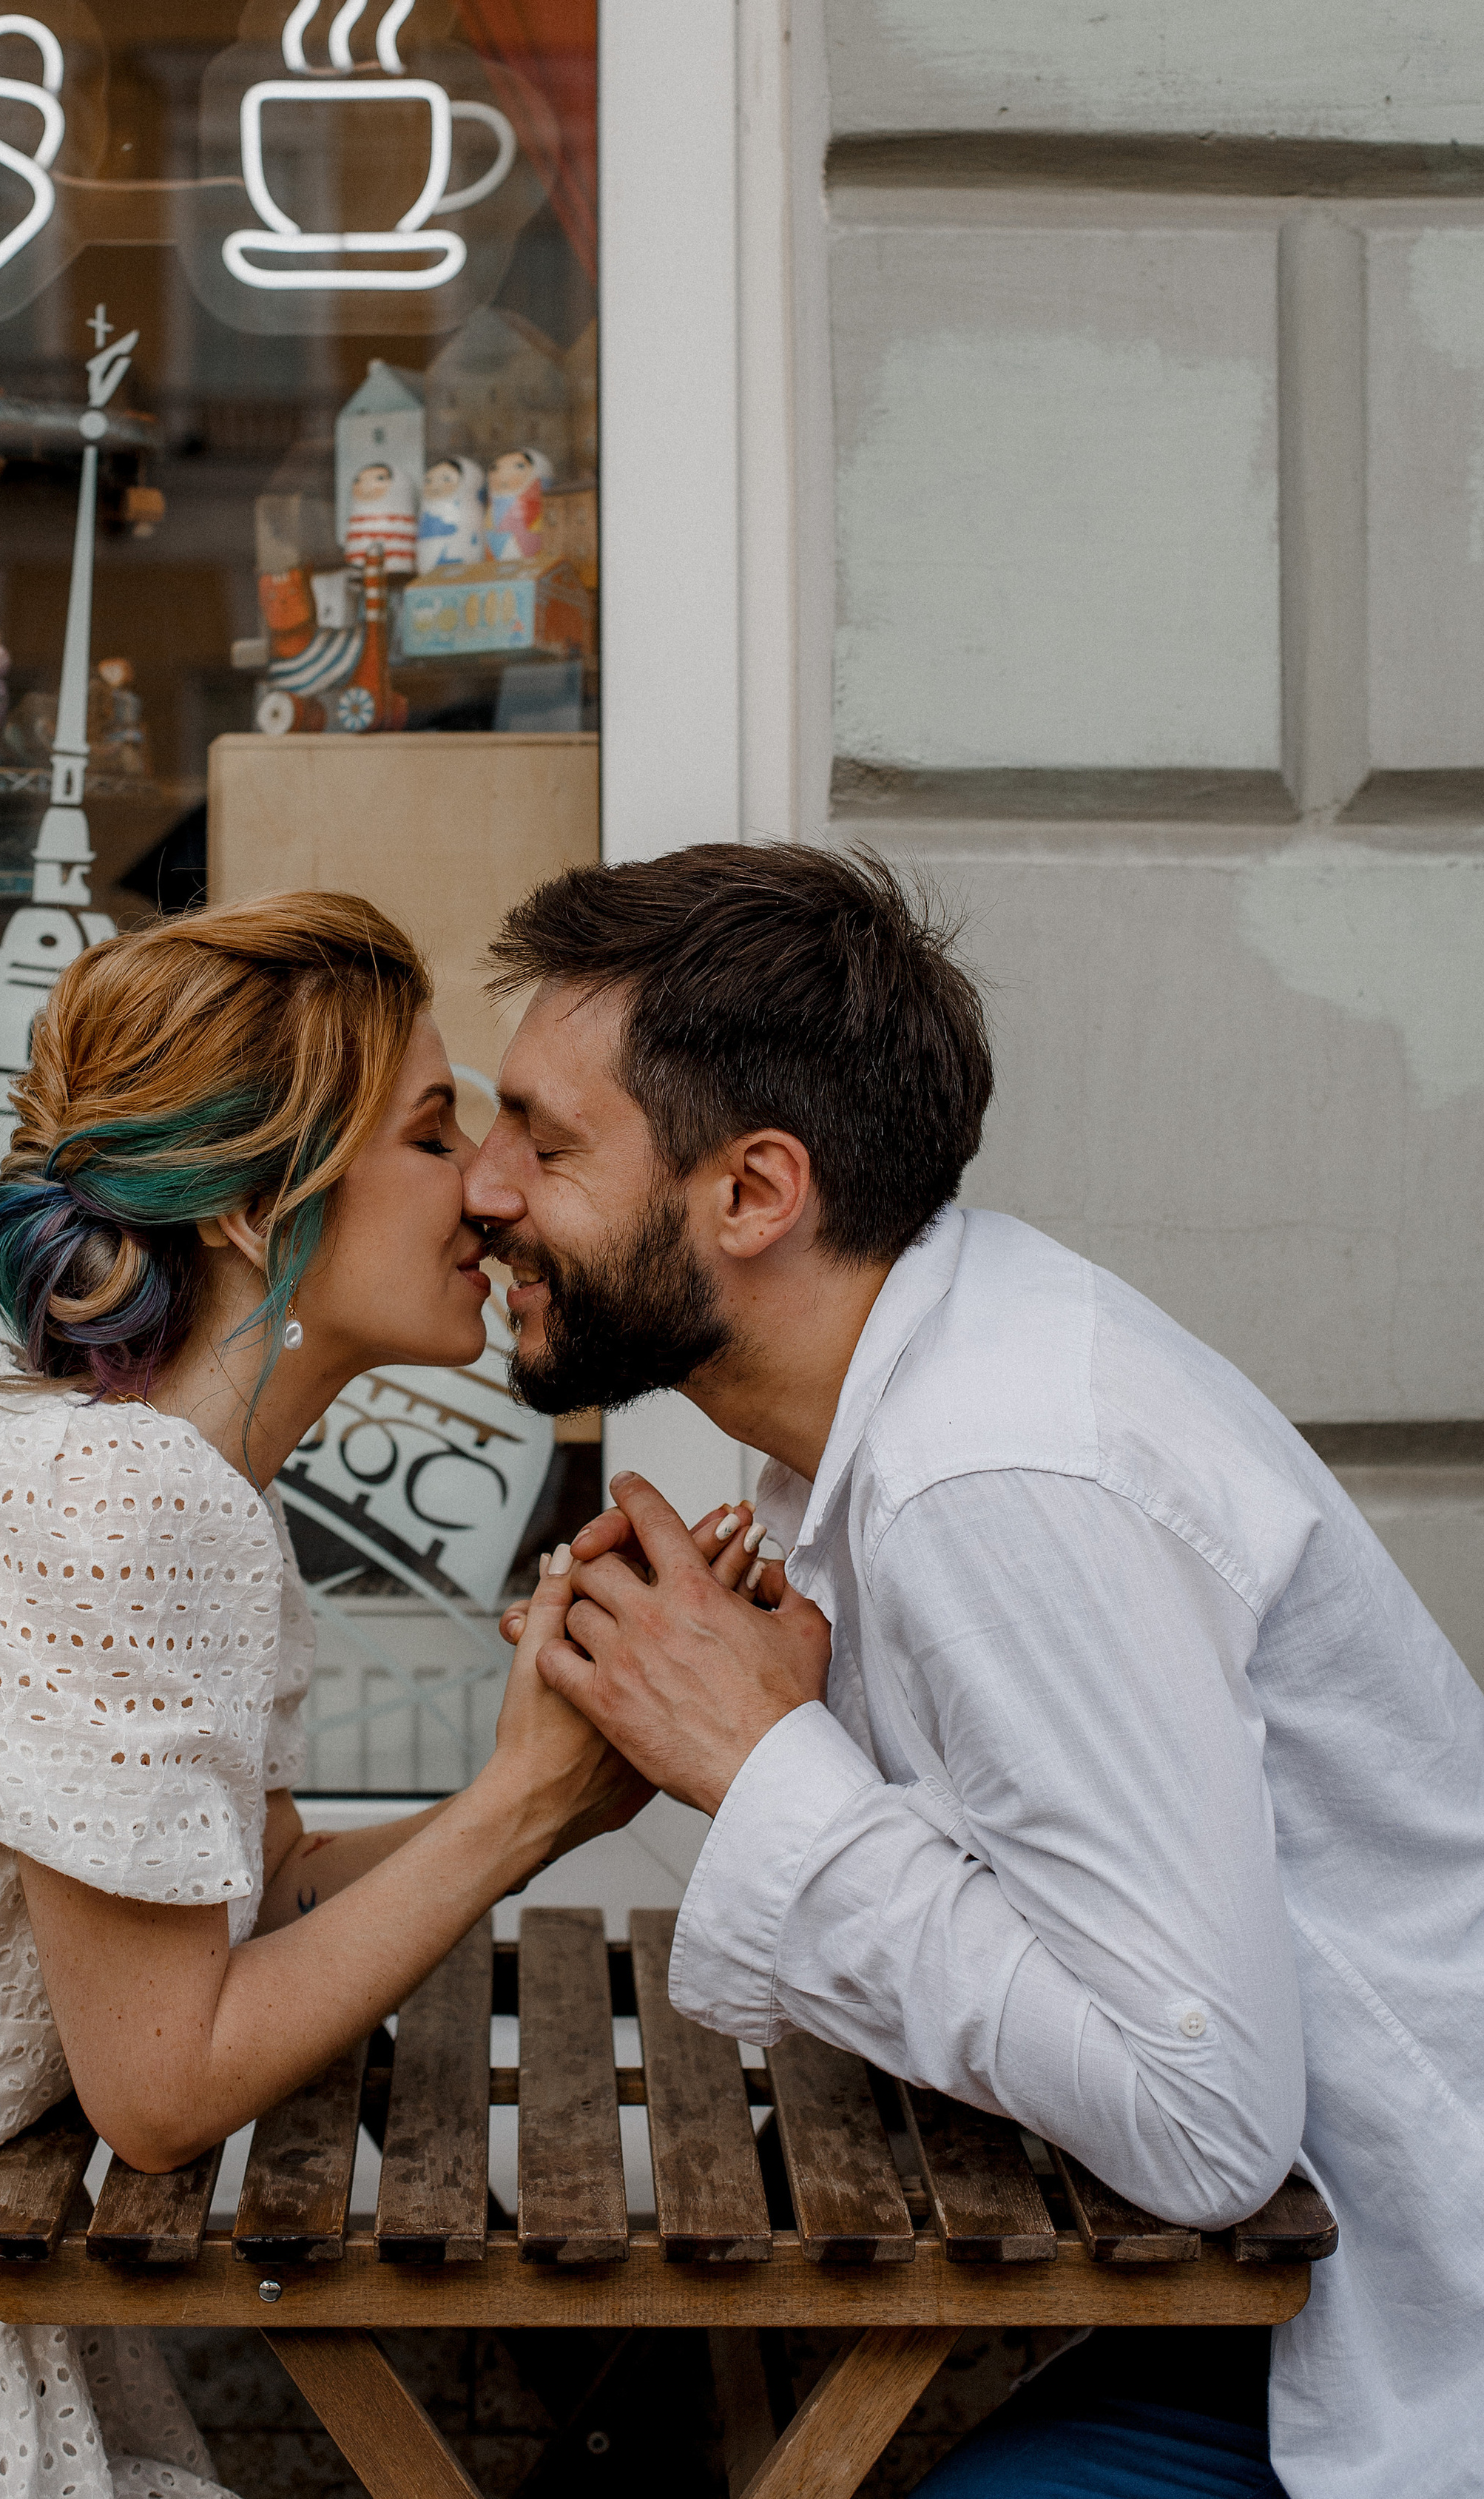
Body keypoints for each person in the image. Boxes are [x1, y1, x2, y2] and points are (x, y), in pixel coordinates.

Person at [464, 840, 1484, 2499]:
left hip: (1404, 2323)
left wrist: (766, 1765)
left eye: (545, 1140)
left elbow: (1201, 2124)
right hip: (1298, 2291)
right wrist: (782, 1729)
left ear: (753, 1193)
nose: (484, 1187)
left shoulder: (988, 1475)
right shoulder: (909, 1395)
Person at [0, 893, 635, 2499]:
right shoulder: (122, 1499)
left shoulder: (127, 1451)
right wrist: (518, 1810)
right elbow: (160, 2092)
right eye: (436, 1134)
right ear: (254, 1209)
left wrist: (561, 1780)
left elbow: (266, 1886)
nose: (492, 1190)